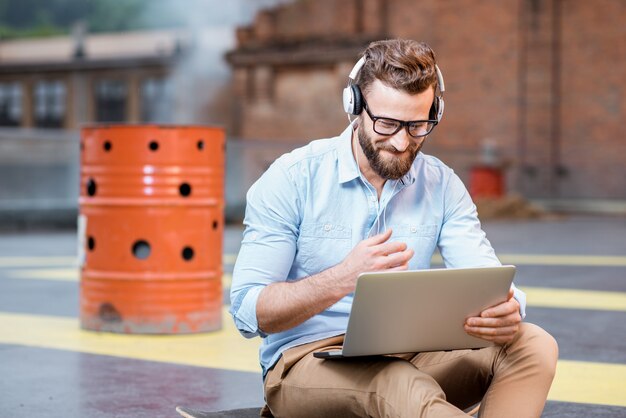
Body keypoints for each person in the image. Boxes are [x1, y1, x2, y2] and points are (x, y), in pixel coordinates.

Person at [230, 39, 558, 418]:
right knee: (400, 385)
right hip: (304, 363)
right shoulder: (292, 178)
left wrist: (507, 309)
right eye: (386, 124)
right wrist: (343, 277)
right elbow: (248, 311)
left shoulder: (441, 184)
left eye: (418, 126)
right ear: (354, 107)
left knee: (534, 344)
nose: (402, 143)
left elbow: (486, 274)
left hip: (407, 355)